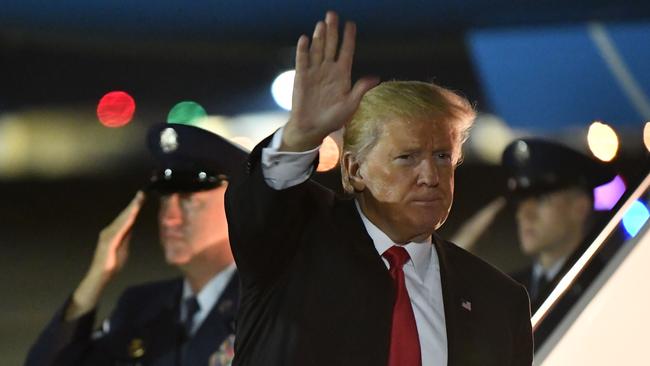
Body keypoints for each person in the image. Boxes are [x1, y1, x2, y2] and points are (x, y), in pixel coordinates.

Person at [224, 11, 533, 366]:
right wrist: (298, 137)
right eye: (407, 157)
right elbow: (261, 203)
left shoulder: (497, 299)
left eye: (443, 157)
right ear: (354, 170)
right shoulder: (294, 242)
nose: (430, 175)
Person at [26, 122, 247, 366]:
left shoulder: (271, 307)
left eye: (188, 200)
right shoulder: (142, 307)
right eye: (164, 200)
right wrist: (96, 278)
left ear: (240, 205)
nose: (169, 218)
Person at [503, 138, 615, 311]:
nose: (524, 214)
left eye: (541, 199)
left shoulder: (609, 283)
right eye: (521, 201)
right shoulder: (505, 291)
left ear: (580, 207)